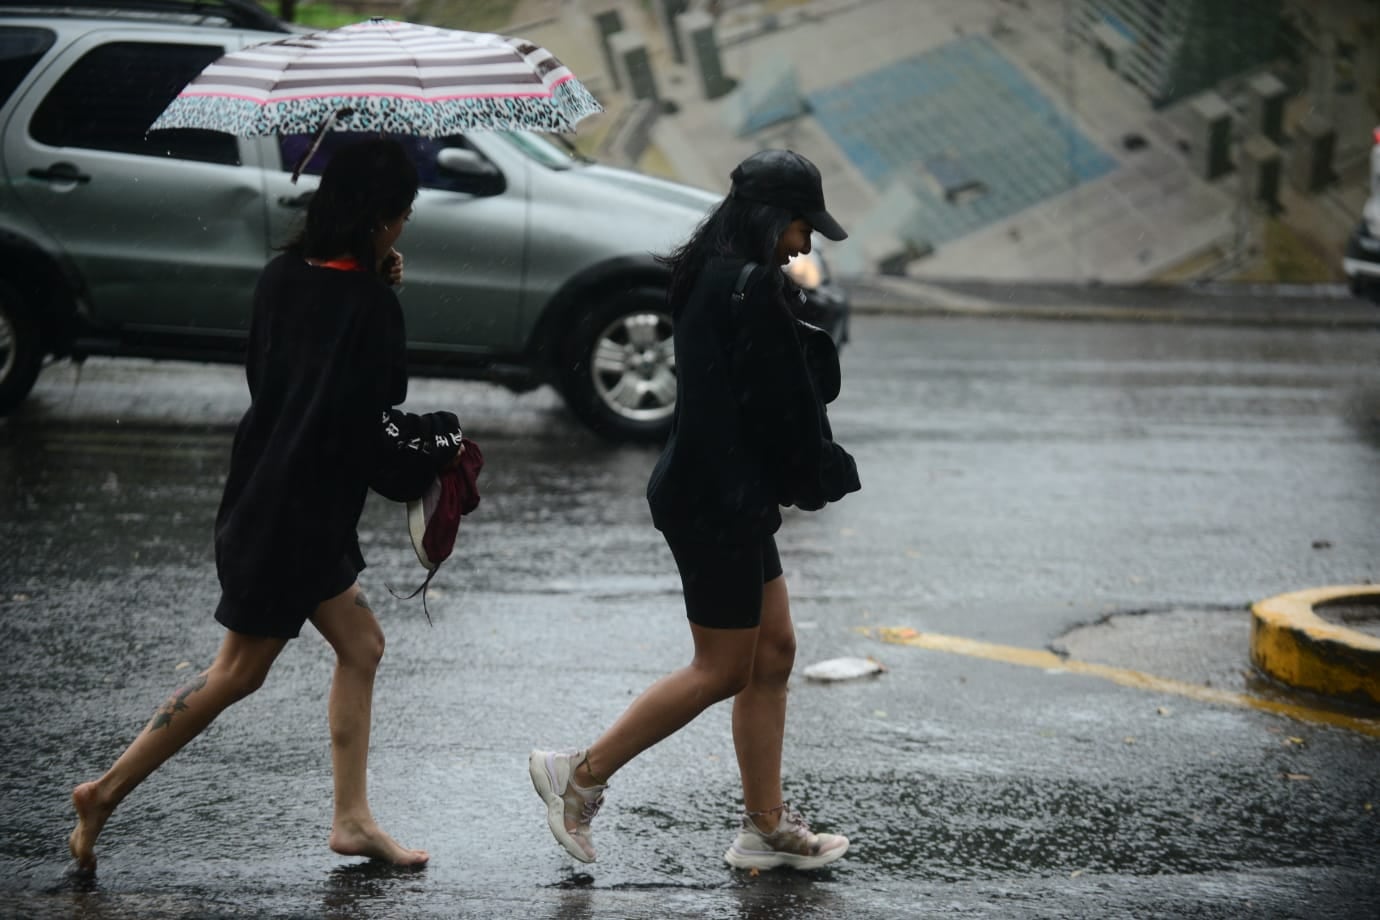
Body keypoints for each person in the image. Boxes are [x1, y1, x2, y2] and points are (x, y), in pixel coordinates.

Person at [68, 139, 465, 873]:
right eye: (402, 214)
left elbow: (284, 375)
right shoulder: (372, 305)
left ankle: (352, 819)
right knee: (237, 672)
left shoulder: (281, 276)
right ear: (380, 217)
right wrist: (434, 445)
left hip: (264, 487)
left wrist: (373, 283)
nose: (405, 226)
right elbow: (374, 412)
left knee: (362, 647)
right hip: (299, 514)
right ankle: (105, 791)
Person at [529, 149, 861, 872]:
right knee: (720, 669)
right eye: (804, 227)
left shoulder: (709, 272)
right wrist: (822, 471)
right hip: (717, 499)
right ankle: (579, 775)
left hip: (721, 489)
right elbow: (780, 413)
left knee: (773, 653)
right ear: (776, 217)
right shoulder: (747, 287)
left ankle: (763, 829)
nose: (806, 245)